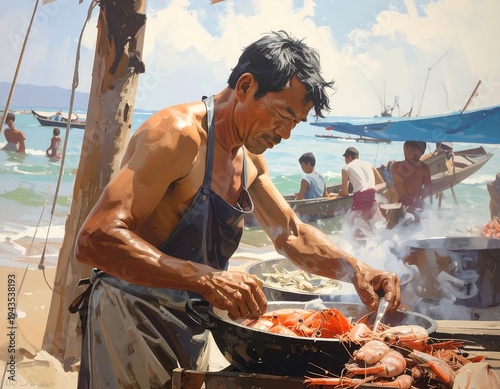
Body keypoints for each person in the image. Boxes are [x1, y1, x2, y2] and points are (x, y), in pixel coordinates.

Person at [73, 31, 401, 388]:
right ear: (245, 87)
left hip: (193, 324)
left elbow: (290, 234)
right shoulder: (177, 134)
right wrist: (206, 278)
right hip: (128, 320)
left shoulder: (250, 159)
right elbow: (96, 238)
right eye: (283, 114)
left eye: (296, 122)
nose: (286, 134)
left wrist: (356, 269)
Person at [336, 146, 386, 238]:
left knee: (350, 232)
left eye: (345, 158)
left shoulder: (346, 168)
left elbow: (345, 192)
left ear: (349, 157)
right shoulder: (369, 165)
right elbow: (381, 183)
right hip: (373, 202)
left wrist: (338, 193)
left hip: (359, 203)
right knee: (375, 232)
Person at [390, 141, 432, 226]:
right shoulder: (424, 168)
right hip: (414, 206)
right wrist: (419, 200)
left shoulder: (397, 166)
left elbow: (402, 192)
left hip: (406, 207)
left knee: (399, 233)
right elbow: (428, 190)